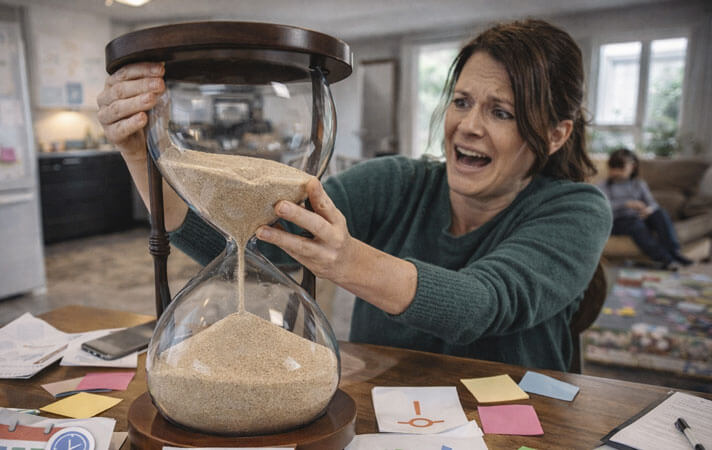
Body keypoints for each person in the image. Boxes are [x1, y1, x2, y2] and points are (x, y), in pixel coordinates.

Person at [96, 19, 612, 372]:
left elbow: (483, 304)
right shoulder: (393, 183)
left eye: (501, 112)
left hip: (519, 420)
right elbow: (255, 247)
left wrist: (348, 261)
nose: (468, 126)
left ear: (555, 134)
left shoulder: (576, 210)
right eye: (462, 101)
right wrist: (142, 155)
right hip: (388, 407)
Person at [598, 148, 693, 270]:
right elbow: (602, 206)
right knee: (635, 225)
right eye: (613, 167)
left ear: (632, 167)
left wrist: (648, 210)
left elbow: (653, 204)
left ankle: (675, 252)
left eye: (620, 167)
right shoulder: (604, 186)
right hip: (617, 221)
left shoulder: (639, 184)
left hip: (639, 217)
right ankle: (666, 259)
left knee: (660, 213)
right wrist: (626, 203)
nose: (615, 171)